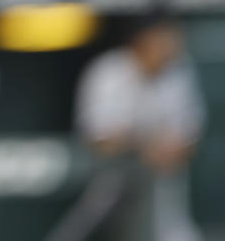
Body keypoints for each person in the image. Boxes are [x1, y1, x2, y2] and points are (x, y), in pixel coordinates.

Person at [47, 17, 206, 241]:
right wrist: (144, 145)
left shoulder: (179, 70)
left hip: (162, 181)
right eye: (164, 41)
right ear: (142, 42)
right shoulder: (108, 71)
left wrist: (167, 149)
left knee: (175, 230)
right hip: (105, 176)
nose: (171, 48)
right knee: (83, 225)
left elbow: (189, 137)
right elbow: (99, 139)